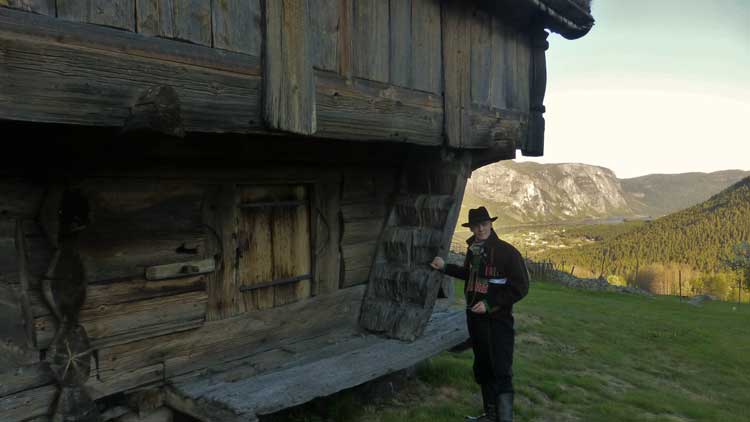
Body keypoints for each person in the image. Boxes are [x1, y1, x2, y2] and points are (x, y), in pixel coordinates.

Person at [431, 206, 529, 422]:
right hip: (475, 320)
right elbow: (469, 274)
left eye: (484, 224)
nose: (480, 229)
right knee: (483, 367)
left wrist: (490, 303)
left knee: (501, 369)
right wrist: (444, 267)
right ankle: (490, 415)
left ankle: (503, 419)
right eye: (476, 225)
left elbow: (520, 287)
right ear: (472, 228)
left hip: (498, 321)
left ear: (491, 224)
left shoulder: (507, 252)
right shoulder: (473, 249)